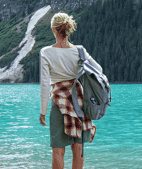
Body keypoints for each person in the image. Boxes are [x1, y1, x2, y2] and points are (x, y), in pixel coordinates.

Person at [38, 12, 94, 169]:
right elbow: (96, 71)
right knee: (78, 149)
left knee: (58, 150)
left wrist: (43, 111)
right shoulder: (79, 51)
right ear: (69, 30)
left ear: (54, 30)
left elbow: (44, 85)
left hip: (59, 103)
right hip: (80, 102)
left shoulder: (46, 52)